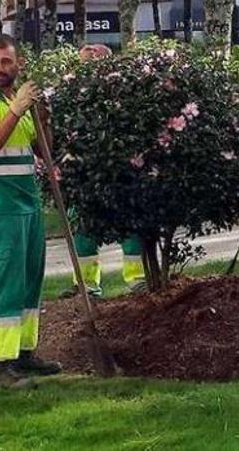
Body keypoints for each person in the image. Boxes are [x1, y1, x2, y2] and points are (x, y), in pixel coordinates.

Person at [0, 34, 62, 389]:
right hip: (0, 207)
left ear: (18, 64)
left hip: (27, 203)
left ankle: (22, 353)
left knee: (29, 281)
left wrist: (42, 119)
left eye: (5, 62)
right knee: (4, 282)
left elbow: (41, 149)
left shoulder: (15, 98)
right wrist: (16, 110)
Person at [61, 43, 147, 299]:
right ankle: (86, 285)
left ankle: (138, 279)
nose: (87, 70)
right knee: (83, 232)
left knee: (130, 228)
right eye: (84, 65)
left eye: (93, 63)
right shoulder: (72, 94)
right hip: (84, 176)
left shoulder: (122, 92)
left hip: (120, 174)